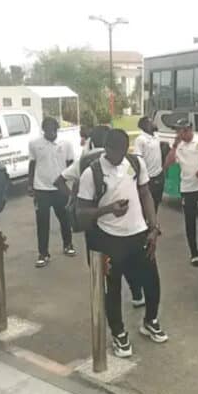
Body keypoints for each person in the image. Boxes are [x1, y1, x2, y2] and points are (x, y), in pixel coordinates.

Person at [76, 129, 166, 358]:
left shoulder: (135, 163)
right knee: (112, 289)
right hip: (108, 238)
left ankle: (150, 321)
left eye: (123, 151)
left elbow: (145, 194)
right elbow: (81, 213)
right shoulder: (92, 173)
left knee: (152, 282)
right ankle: (119, 333)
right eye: (115, 152)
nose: (119, 157)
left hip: (139, 234)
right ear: (106, 149)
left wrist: (153, 227)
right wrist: (108, 209)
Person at [57, 125, 146, 307]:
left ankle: (102, 295)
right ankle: (137, 293)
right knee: (126, 261)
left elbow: (59, 181)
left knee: (102, 266)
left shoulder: (84, 161)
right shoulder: (116, 162)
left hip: (93, 226)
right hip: (120, 225)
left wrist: (74, 197)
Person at [28, 117, 77, 267]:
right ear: (43, 130)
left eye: (53, 130)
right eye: (47, 130)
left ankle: (68, 245)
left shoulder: (65, 144)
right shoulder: (35, 144)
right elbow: (32, 163)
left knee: (64, 219)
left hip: (59, 189)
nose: (50, 133)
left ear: (57, 129)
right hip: (41, 189)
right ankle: (43, 253)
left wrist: (71, 184)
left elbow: (71, 164)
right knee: (42, 222)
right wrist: (30, 185)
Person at [163, 118, 198, 267]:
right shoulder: (179, 146)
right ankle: (194, 254)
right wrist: (175, 145)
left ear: (189, 130)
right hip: (187, 189)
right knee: (190, 222)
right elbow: (168, 163)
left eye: (181, 131)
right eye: (177, 131)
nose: (179, 133)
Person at [134, 116, 165, 215]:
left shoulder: (157, 136)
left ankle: (153, 223)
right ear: (145, 125)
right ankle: (145, 225)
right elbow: (138, 158)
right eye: (151, 122)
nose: (154, 123)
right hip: (148, 178)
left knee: (156, 202)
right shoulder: (140, 139)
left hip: (159, 175)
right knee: (146, 203)